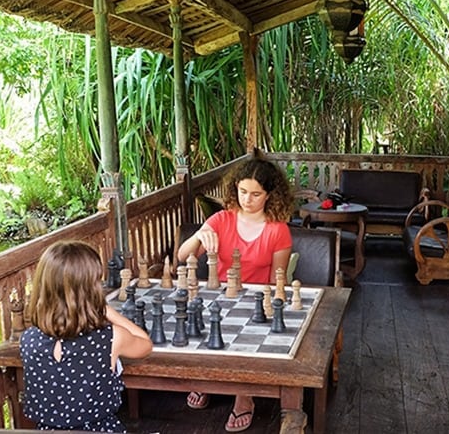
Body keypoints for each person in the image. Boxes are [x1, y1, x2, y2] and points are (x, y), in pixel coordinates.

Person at [177, 149, 294, 432]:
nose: (247, 199)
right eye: (242, 191)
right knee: (200, 323)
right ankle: (206, 381)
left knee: (249, 332)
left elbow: (280, 278)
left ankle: (244, 395)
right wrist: (197, 237)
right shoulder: (221, 220)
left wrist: (270, 301)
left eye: (255, 194)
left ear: (270, 195)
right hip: (218, 297)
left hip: (256, 299)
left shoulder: (278, 230)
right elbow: (181, 257)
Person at [20, 241, 153, 432]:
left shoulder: (28, 339)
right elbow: (145, 345)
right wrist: (108, 311)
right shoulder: (112, 338)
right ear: (91, 290)